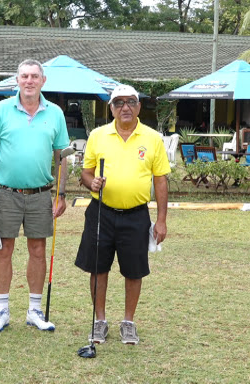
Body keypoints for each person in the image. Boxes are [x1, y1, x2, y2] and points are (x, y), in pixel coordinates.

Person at [75, 84, 170, 345]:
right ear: (111, 108)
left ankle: (128, 322)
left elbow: (161, 181)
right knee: (98, 267)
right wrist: (90, 182)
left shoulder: (152, 138)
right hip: (101, 212)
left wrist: (161, 220)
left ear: (139, 106)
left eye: (130, 102)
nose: (125, 107)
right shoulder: (97, 135)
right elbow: (86, 171)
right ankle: (100, 321)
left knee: (134, 270)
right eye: (119, 103)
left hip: (136, 215)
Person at [0, 59, 69, 332]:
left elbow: (62, 156)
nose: (29, 81)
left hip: (41, 194)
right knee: (4, 249)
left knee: (38, 250)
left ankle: (34, 310)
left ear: (43, 81)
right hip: (6, 193)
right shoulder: (0, 110)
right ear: (16, 81)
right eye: (24, 76)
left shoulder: (55, 113)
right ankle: (2, 311)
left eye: (34, 76)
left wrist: (62, 194)